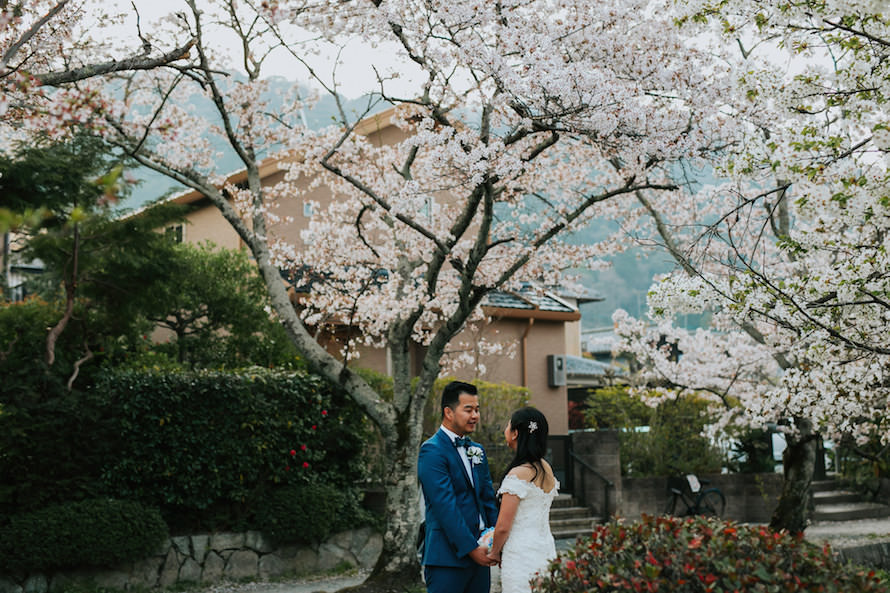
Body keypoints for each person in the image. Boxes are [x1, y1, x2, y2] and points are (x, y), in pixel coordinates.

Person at [418, 381, 499, 593]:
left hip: (482, 554)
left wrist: (496, 541)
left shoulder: (477, 449)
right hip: (447, 558)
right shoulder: (432, 451)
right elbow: (445, 507)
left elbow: (487, 498)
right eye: (468, 409)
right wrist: (472, 549)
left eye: (477, 409)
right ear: (449, 412)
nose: (475, 416)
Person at [487, 407, 558, 593]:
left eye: (508, 424)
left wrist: (494, 552)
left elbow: (503, 526)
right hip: (546, 550)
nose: (506, 429)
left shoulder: (518, 475)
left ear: (515, 433)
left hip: (521, 554)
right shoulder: (546, 468)